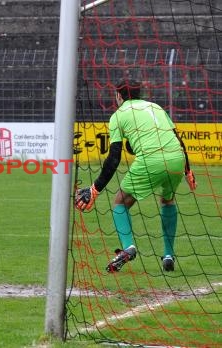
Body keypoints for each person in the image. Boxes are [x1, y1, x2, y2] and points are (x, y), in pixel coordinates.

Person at [75, 78, 196, 273]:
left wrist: (95, 189)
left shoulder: (118, 115)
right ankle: (168, 255)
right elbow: (178, 139)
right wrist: (188, 171)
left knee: (120, 202)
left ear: (119, 96)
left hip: (151, 160)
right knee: (168, 200)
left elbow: (114, 158)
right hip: (177, 159)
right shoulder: (156, 107)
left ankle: (128, 248)